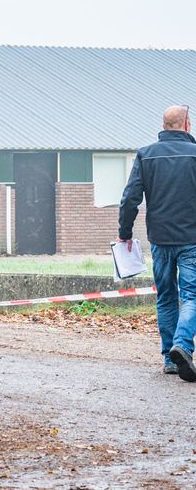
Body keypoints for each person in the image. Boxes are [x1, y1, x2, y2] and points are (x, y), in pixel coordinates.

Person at [119, 104, 196, 380]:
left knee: (166, 296)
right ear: (187, 125)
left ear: (164, 126)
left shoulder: (146, 154)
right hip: (191, 238)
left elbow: (130, 198)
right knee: (192, 295)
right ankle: (182, 345)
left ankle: (170, 358)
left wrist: (124, 232)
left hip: (160, 240)